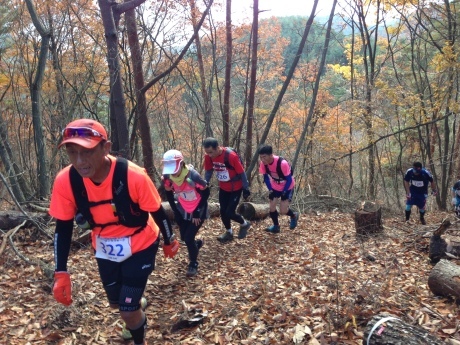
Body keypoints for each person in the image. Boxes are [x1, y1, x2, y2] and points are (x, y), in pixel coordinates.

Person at [49, 119, 179, 345]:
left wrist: (169, 240)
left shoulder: (133, 176)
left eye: (87, 152)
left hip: (141, 243)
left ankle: (139, 337)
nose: (80, 161)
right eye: (72, 153)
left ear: (105, 148)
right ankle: (136, 305)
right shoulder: (66, 181)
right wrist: (61, 271)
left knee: (127, 310)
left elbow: (157, 211)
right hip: (104, 246)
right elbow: (63, 226)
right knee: (117, 304)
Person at [162, 149, 210, 277]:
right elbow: (168, 193)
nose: (173, 171)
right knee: (184, 237)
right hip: (182, 208)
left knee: (188, 238)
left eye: (174, 168)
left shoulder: (193, 175)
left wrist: (197, 212)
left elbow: (206, 192)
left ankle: (193, 263)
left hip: (198, 208)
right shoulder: (168, 177)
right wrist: (175, 210)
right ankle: (196, 245)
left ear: (181, 164)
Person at [202, 137, 251, 242]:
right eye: (207, 152)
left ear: (217, 147)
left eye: (211, 152)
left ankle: (245, 224)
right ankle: (229, 232)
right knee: (223, 212)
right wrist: (205, 182)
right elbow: (209, 171)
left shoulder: (231, 156)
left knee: (230, 212)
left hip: (236, 187)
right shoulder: (208, 157)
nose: (209, 155)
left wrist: (246, 188)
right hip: (223, 187)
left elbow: (242, 173)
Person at [258, 144, 299, 233]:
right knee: (272, 207)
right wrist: (271, 190)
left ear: (271, 155)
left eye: (264, 157)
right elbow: (266, 178)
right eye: (261, 157)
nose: (262, 160)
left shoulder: (282, 163)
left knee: (283, 211)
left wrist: (284, 192)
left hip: (287, 185)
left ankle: (294, 216)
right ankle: (276, 226)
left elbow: (288, 179)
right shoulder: (263, 164)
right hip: (275, 185)